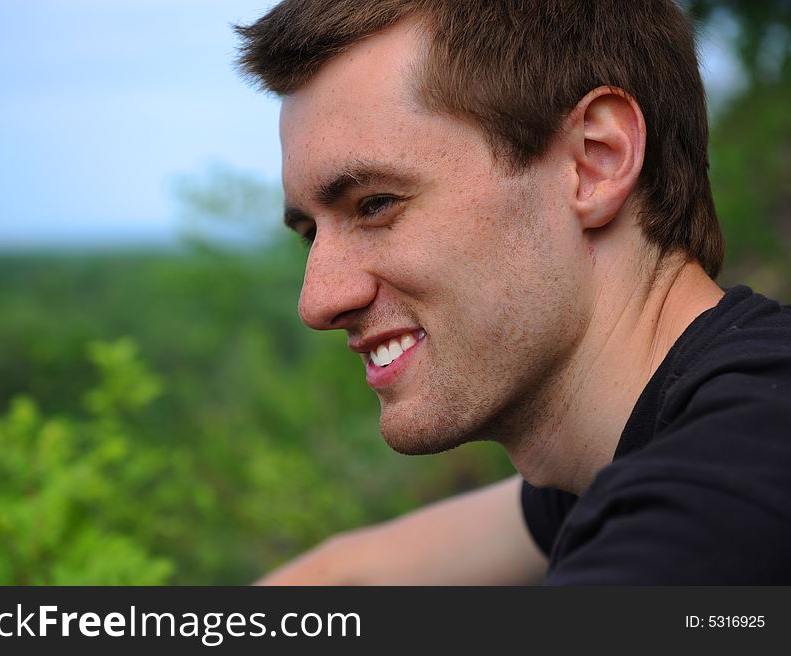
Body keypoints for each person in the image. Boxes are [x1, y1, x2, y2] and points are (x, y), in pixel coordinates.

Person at [234, 0, 791, 584]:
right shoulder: (663, 440)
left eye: (375, 204)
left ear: (595, 161)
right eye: (309, 235)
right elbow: (344, 578)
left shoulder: (721, 505)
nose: (318, 301)